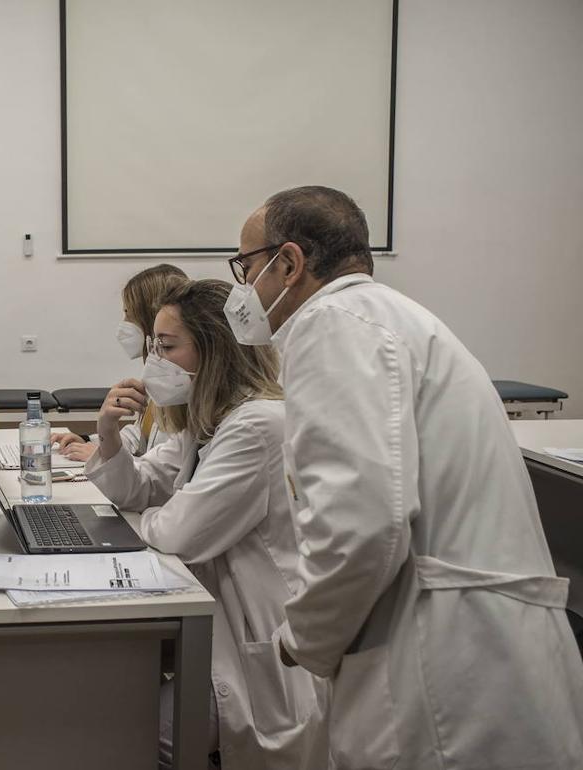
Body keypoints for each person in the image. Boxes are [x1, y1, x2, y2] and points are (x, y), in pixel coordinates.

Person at [232, 186, 583, 769]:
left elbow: (363, 524)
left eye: (246, 267)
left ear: (289, 263)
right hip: (472, 653)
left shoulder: (332, 326)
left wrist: (302, 639)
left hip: (445, 671)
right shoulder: (386, 320)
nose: (243, 289)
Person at [83, 279, 324, 769]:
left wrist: (152, 514)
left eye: (167, 347)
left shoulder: (258, 425)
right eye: (153, 346)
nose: (154, 362)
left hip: (252, 648)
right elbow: (143, 486)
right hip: (213, 624)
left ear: (213, 350)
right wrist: (107, 435)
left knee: (130, 738)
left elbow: (179, 534)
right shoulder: (211, 418)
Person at [53, 263, 187, 463]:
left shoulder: (179, 384)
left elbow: (169, 467)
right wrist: (90, 441)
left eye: (129, 313)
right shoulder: (158, 373)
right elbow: (140, 437)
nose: (124, 322)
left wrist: (105, 457)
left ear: (150, 316)